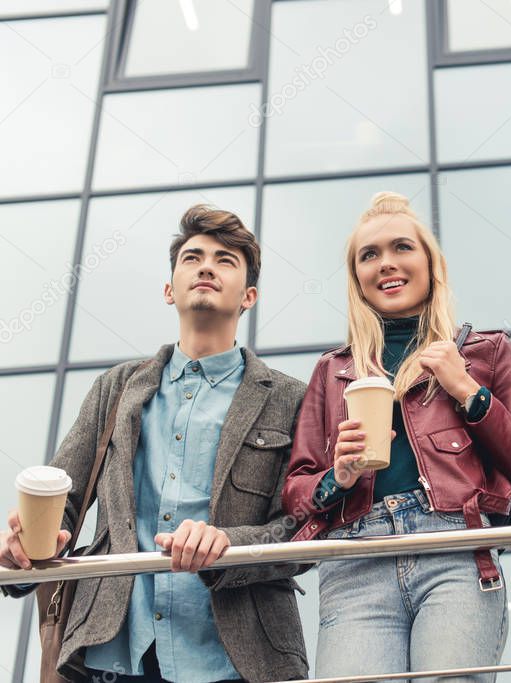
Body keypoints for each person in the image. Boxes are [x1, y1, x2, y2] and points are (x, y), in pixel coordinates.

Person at [0, 205, 309, 682]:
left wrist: (227, 543)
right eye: (193, 257)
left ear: (249, 296)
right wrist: (25, 544)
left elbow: (304, 530)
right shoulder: (116, 387)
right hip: (110, 651)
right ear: (169, 289)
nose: (207, 266)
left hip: (238, 660)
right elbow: (63, 498)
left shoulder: (290, 398)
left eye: (225, 260)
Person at [283, 191, 511, 681]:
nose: (386, 263)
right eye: (369, 255)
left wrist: (469, 391)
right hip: (355, 560)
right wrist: (335, 478)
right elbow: (296, 493)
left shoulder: (485, 352)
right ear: (357, 279)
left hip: (454, 550)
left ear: (431, 265)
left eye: (402, 248)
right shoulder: (333, 370)